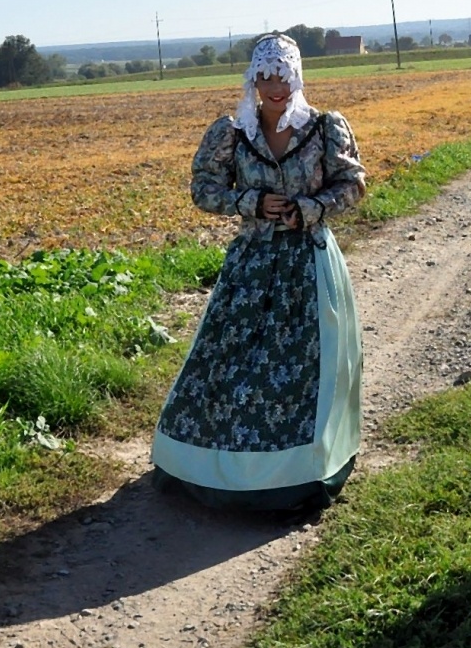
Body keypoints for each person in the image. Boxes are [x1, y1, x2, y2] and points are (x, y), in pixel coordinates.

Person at [152, 33, 367, 510]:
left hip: (307, 264)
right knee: (227, 363)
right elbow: (203, 190)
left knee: (306, 369)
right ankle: (209, 467)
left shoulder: (325, 128)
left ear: (297, 77)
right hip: (250, 266)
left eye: (284, 75)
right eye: (265, 75)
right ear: (252, 79)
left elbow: (353, 185)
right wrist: (248, 202)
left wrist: (309, 208)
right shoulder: (232, 133)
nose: (275, 86)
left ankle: (299, 474)